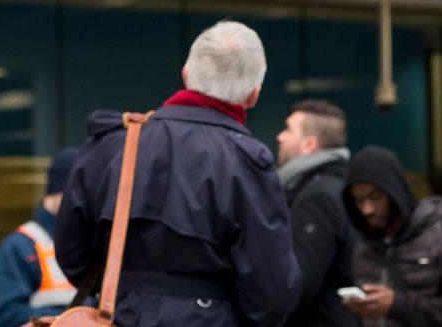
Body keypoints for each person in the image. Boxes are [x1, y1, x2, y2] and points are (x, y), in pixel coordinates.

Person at [55, 21, 301, 327]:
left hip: (120, 313)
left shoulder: (115, 141)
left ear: (186, 73)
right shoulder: (247, 161)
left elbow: (70, 250)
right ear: (253, 95)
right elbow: (273, 289)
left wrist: (125, 291)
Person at [341, 146, 442, 327]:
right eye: (360, 200)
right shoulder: (364, 247)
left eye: (376, 197)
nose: (367, 210)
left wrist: (399, 306)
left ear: (394, 192)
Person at [277, 100, 358, 327]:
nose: (280, 137)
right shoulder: (339, 185)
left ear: (310, 145)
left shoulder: (317, 196)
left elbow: (298, 282)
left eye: (288, 129)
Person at [0, 147, 81, 327]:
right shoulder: (19, 247)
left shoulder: (91, 244)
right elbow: (7, 315)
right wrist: (74, 319)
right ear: (58, 192)